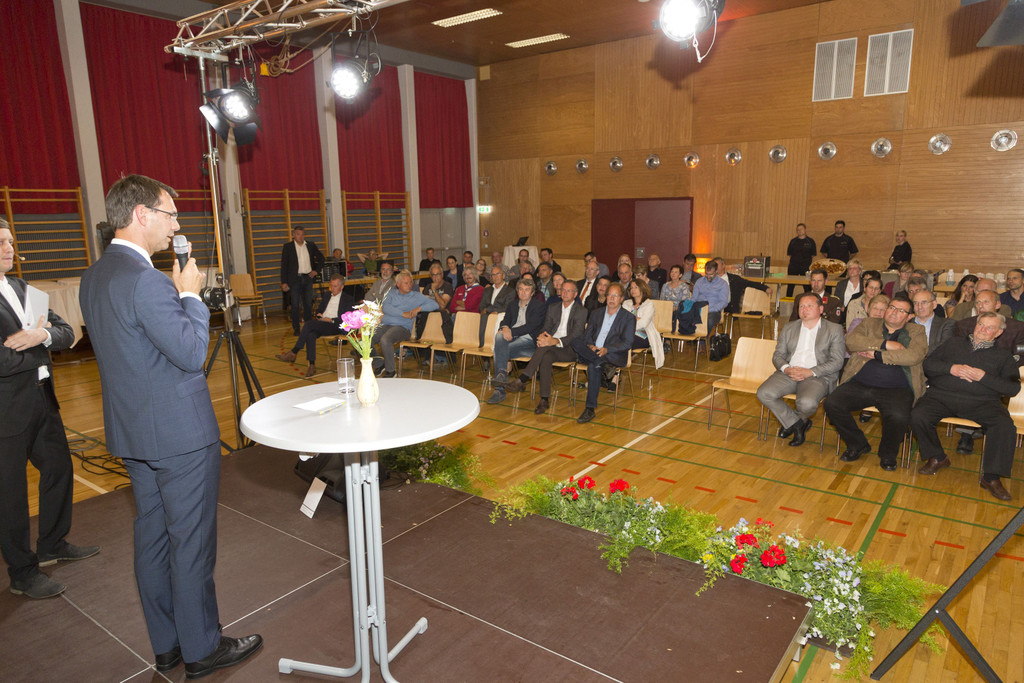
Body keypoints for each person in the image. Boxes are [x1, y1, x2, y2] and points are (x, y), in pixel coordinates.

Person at [79, 175, 262, 677]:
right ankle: (202, 649)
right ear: (141, 215)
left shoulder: (94, 276)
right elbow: (189, 352)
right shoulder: (148, 280)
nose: (176, 226)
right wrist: (190, 296)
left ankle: (168, 645)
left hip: (136, 434)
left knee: (153, 539)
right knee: (191, 544)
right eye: (170, 214)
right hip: (179, 436)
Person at [0, 220, 97, 600]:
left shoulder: (23, 288)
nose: (9, 248)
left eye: (10, 241)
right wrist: (42, 347)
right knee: (10, 496)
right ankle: (22, 573)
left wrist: (39, 335)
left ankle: (52, 544)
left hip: (43, 401)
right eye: (0, 243)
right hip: (7, 414)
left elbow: (67, 333)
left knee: (59, 469)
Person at [912, 313, 1021, 500]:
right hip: (942, 397)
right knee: (918, 415)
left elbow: (1012, 388)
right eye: (981, 324)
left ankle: (991, 478)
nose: (982, 329)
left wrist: (983, 377)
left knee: (1004, 426)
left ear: (998, 333)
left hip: (983, 403)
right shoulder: (953, 343)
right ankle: (938, 457)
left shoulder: (1004, 356)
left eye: (989, 327)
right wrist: (951, 369)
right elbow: (928, 364)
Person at [823, 293, 925, 471]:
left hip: (897, 388)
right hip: (860, 382)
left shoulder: (917, 331)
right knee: (832, 403)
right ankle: (857, 444)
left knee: (898, 416)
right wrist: (886, 344)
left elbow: (913, 356)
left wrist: (878, 354)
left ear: (910, 317)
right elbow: (852, 341)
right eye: (891, 307)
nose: (893, 312)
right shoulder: (869, 323)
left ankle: (888, 454)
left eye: (901, 311)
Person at [756, 292, 846, 447]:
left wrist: (811, 372)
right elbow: (778, 355)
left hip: (817, 375)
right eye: (801, 306)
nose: (805, 309)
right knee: (764, 393)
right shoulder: (789, 327)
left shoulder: (834, 329)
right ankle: (797, 424)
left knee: (807, 403)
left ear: (821, 309)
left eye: (810, 306)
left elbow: (837, 361)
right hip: (790, 372)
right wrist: (786, 369)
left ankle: (794, 421)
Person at [504, 280, 589, 414]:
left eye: (569, 291)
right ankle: (544, 399)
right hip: (551, 347)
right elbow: (546, 328)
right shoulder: (553, 307)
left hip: (570, 349)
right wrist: (542, 337)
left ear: (575, 294)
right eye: (563, 290)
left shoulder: (581, 311)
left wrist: (554, 341)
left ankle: (524, 379)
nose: (565, 293)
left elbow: (576, 334)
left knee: (545, 348)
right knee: (546, 356)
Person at [571, 283, 636, 424]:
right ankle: (602, 364)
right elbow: (587, 335)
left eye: (615, 296)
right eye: (609, 295)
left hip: (611, 354)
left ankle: (590, 409)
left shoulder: (628, 318)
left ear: (622, 299)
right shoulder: (596, 313)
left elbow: (627, 343)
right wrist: (590, 345)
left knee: (594, 366)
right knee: (576, 342)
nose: (611, 298)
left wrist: (607, 349)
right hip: (592, 352)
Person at [275, 274, 355, 377]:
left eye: (335, 286)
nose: (332, 288)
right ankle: (311, 365)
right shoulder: (327, 295)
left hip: (335, 325)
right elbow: (319, 310)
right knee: (311, 334)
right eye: (331, 285)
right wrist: (319, 315)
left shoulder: (348, 299)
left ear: (342, 287)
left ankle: (294, 352)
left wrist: (331, 320)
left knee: (308, 325)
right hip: (322, 323)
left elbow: (346, 318)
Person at [488, 279, 546, 403]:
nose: (523, 292)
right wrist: (504, 328)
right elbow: (505, 321)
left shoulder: (539, 306)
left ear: (532, 293)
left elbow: (531, 326)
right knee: (499, 337)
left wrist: (510, 331)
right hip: (512, 338)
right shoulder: (512, 304)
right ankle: (502, 375)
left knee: (499, 350)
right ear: (517, 291)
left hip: (529, 341)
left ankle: (499, 390)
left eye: (527, 290)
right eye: (521, 289)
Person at [373, 271, 439, 377]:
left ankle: (391, 371)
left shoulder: (416, 296)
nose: (409, 285)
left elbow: (434, 304)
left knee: (385, 340)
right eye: (406, 283)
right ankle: (379, 364)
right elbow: (386, 308)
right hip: (385, 324)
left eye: (410, 282)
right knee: (363, 340)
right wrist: (403, 314)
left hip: (402, 328)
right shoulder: (390, 293)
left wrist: (419, 308)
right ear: (398, 284)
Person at [280, 225, 324, 335]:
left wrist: (316, 271)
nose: (300, 237)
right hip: (294, 279)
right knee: (295, 305)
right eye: (298, 234)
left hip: (307, 278)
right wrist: (284, 282)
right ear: (294, 235)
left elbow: (321, 258)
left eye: (302, 234)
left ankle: (308, 327)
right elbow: (284, 265)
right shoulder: (288, 247)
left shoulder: (310, 245)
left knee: (308, 304)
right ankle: (296, 328)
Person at [622, 279, 664, 374]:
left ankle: (615, 373)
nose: (633, 290)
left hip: (644, 335)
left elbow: (643, 324)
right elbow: (621, 321)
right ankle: (614, 374)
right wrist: (635, 319)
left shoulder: (649, 304)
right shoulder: (626, 303)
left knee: (624, 344)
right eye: (631, 288)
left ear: (642, 288)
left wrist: (630, 320)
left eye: (636, 287)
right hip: (626, 333)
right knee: (616, 342)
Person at [415, 264, 453, 344]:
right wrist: (437, 303)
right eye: (433, 275)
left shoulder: (447, 286)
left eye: (437, 274)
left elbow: (442, 306)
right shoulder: (427, 287)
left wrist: (434, 290)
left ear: (442, 274)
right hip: (428, 319)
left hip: (442, 320)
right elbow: (424, 305)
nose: (435, 277)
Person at [478, 265, 515, 346]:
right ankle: (482, 345)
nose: (495, 277)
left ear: (503, 276)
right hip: (486, 317)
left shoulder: (510, 291)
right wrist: (486, 310)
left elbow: (507, 308)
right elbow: (481, 306)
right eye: (493, 275)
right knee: (483, 317)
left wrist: (489, 310)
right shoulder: (487, 290)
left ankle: (492, 346)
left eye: (498, 274)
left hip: (500, 317)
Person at [911, 289, 954, 356]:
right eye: (916, 303)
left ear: (934, 304)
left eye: (924, 302)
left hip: (935, 360)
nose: (919, 307)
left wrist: (918, 354)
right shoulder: (907, 324)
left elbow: (944, 346)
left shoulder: (946, 324)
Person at [691, 260, 730, 331]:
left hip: (713, 311)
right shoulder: (699, 281)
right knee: (685, 317)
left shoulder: (723, 284)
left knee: (709, 321)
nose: (708, 276)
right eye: (706, 274)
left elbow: (724, 302)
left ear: (716, 272)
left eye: (711, 274)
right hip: (698, 309)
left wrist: (710, 309)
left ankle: (703, 337)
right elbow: (694, 298)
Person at [785, 223, 816, 297]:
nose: (799, 231)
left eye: (801, 229)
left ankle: (808, 301)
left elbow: (813, 254)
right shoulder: (793, 241)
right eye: (798, 230)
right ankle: (788, 301)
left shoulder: (810, 241)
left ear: (805, 230)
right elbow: (790, 254)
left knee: (807, 286)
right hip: (793, 266)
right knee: (790, 286)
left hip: (806, 267)